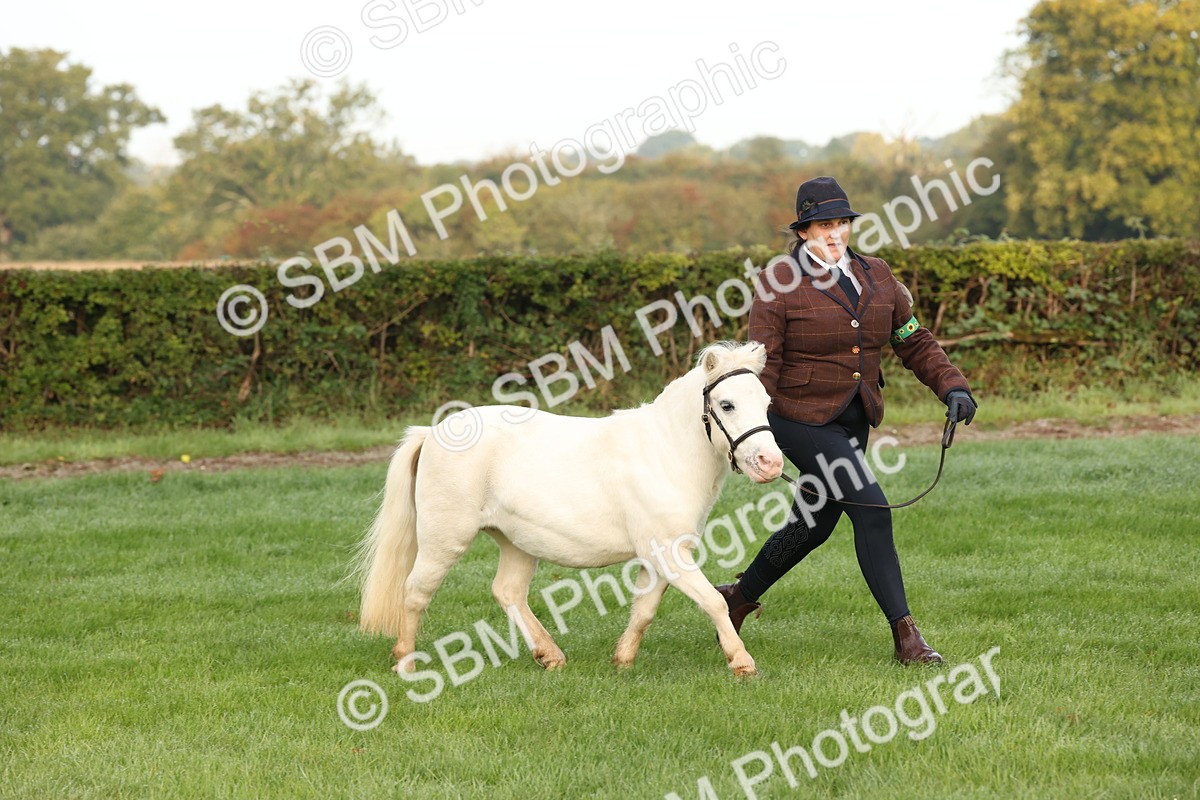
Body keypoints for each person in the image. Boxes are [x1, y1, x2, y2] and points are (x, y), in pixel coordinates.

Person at [717, 176, 977, 665]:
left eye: (841, 223)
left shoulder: (877, 275)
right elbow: (762, 363)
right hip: (796, 419)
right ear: (803, 233)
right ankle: (907, 638)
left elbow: (912, 339)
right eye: (822, 225)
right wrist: (756, 440)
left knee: (813, 524)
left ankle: (737, 598)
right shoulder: (778, 283)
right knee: (872, 509)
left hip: (854, 419)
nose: (833, 233)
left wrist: (953, 385)